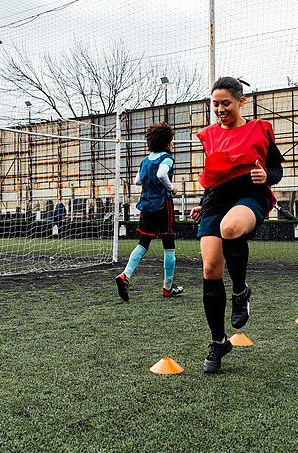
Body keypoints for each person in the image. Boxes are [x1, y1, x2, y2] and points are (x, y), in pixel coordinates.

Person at [190, 77, 285, 373]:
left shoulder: (259, 129)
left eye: (226, 103)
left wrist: (266, 177)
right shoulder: (208, 135)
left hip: (249, 193)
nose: (220, 109)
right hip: (216, 199)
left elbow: (277, 169)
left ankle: (241, 290)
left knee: (229, 229)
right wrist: (203, 204)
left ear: (241, 101)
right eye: (215, 104)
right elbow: (215, 177)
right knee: (210, 269)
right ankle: (219, 342)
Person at [115, 122, 182, 301]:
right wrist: (172, 188)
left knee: (143, 244)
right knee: (169, 247)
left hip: (146, 206)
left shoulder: (145, 160)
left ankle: (125, 275)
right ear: (167, 142)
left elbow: (138, 181)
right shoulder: (167, 158)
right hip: (163, 205)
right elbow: (161, 174)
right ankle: (167, 287)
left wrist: (149, 184)